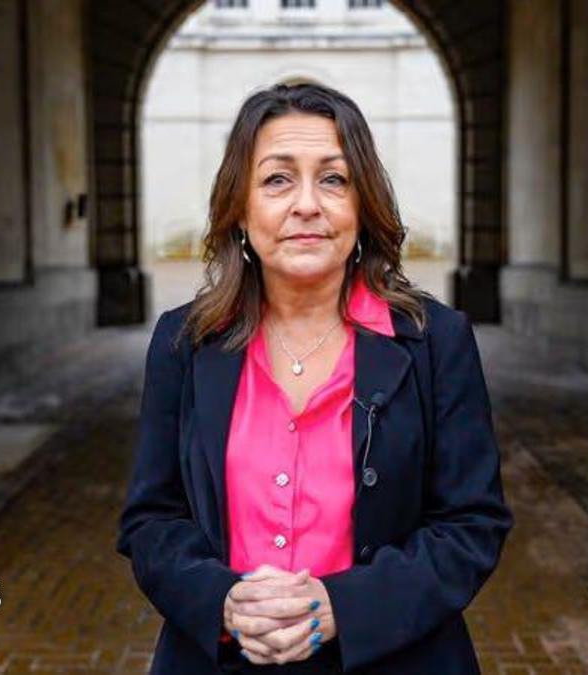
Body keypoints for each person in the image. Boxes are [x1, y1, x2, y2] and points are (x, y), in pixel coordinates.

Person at [117, 82, 513, 674]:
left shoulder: (436, 341)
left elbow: (471, 525)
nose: (307, 203)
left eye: (334, 178)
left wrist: (344, 609)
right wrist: (223, 601)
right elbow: (151, 520)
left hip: (397, 658)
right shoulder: (185, 342)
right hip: (219, 657)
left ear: (363, 205)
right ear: (240, 210)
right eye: (277, 179)